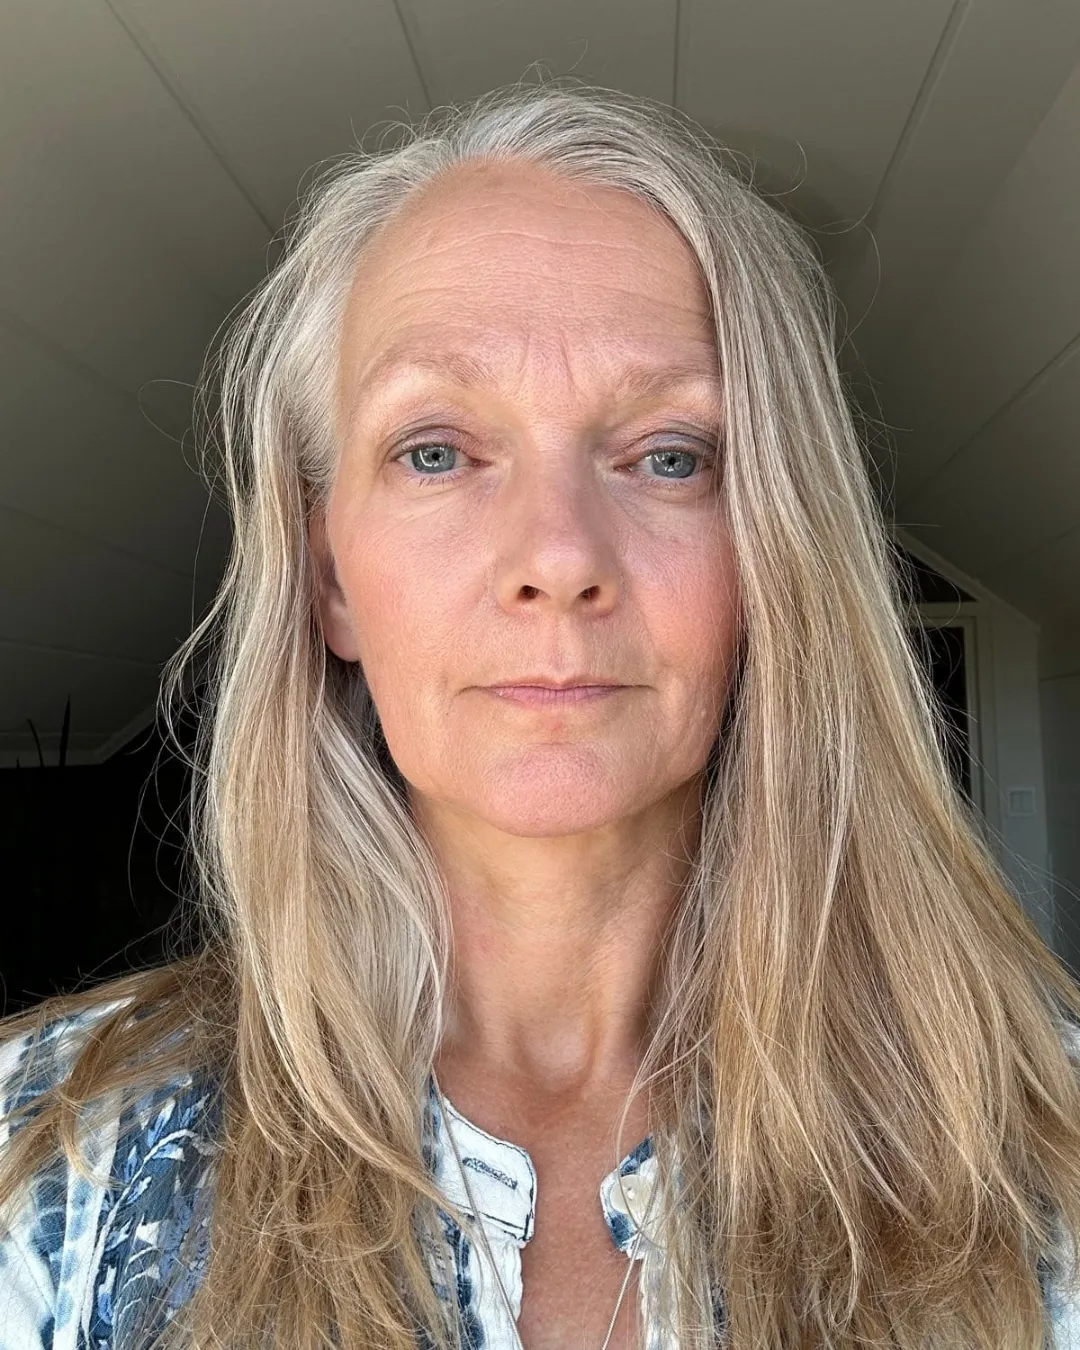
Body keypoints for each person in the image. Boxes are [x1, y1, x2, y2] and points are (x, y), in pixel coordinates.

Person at [2, 81, 1080, 1350]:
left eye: (670, 456)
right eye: (437, 451)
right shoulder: (48, 1162)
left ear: (774, 558)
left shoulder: (1044, 1142)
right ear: (331, 579)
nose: (559, 557)